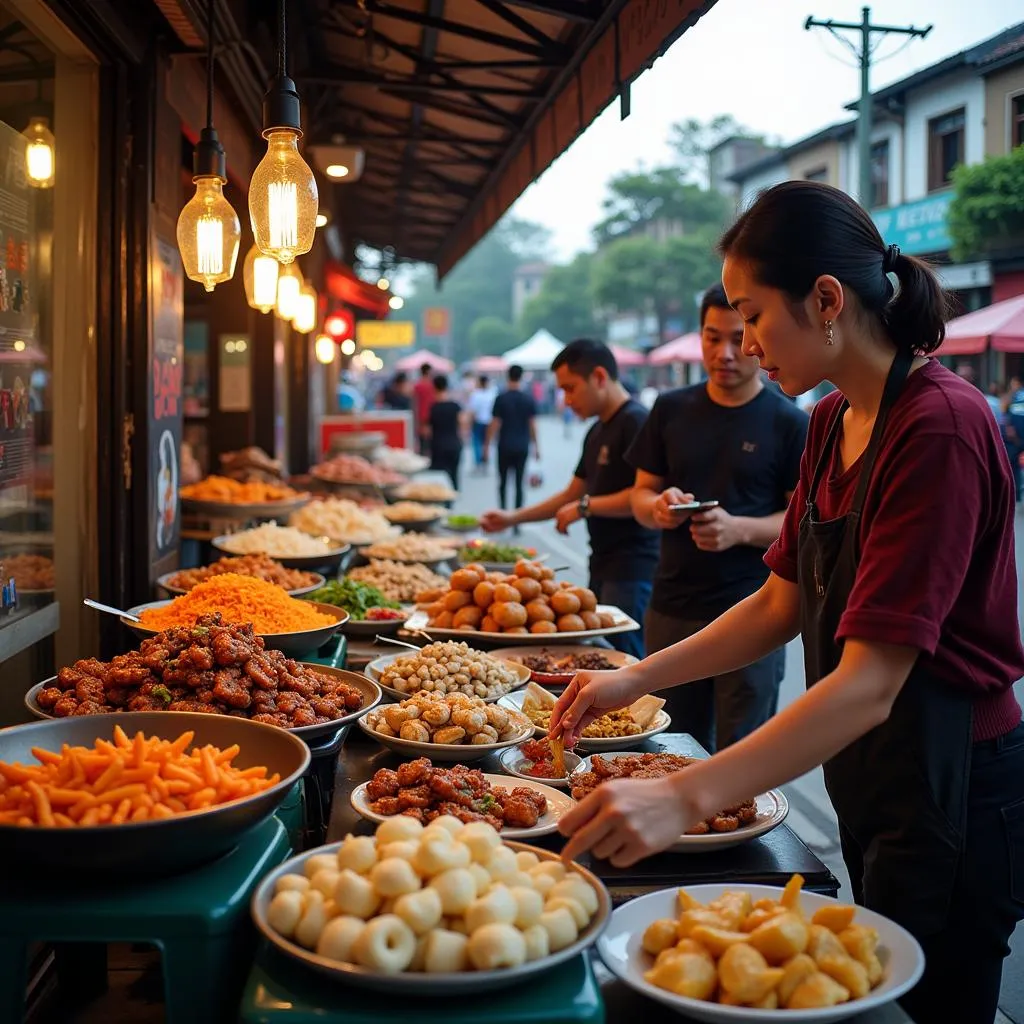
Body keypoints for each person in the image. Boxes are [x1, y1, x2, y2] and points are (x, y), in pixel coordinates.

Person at [551, 181, 1024, 1024]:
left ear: (828, 300)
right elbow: (777, 605)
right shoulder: (836, 416)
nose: (744, 342)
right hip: (870, 768)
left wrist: (686, 795)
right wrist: (635, 681)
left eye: (753, 314)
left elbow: (871, 681)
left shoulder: (942, 427)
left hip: (953, 783)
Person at [626, 282, 809, 753]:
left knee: (742, 754)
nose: (724, 352)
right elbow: (640, 496)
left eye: (736, 336)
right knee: (663, 747)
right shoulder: (669, 409)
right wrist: (659, 507)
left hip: (752, 611)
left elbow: (802, 523)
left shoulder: (789, 421)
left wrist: (738, 529)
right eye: (711, 337)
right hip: (671, 606)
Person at [480, 340, 659, 659]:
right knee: (602, 656)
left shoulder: (636, 422)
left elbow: (643, 494)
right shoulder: (596, 431)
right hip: (603, 560)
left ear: (600, 377)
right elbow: (571, 493)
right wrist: (512, 518)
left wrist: (584, 507)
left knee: (625, 658)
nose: (566, 399)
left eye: (570, 388)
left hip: (633, 566)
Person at [486, 364, 538, 516]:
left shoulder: (501, 399)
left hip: (504, 446)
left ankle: (502, 514)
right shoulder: (528, 399)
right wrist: (536, 446)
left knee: (502, 483)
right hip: (522, 446)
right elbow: (532, 425)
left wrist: (486, 445)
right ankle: (517, 518)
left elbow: (495, 423)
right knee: (519, 484)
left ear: (508, 376)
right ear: (521, 377)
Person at [425, 374, 465, 490]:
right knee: (454, 476)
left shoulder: (433, 408)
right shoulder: (455, 406)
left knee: (440, 479)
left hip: (438, 446)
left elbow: (428, 431)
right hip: (454, 444)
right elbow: (462, 424)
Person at [467, 374, 498, 472]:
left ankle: (478, 462)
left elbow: (473, 411)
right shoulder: (492, 394)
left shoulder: (476, 394)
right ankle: (485, 460)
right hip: (489, 421)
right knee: (487, 443)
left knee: (477, 443)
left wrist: (470, 423)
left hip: (479, 421)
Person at [412, 362, 436, 454]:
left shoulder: (417, 386)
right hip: (431, 416)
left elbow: (414, 403)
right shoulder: (432, 386)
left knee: (422, 444)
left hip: (420, 417)